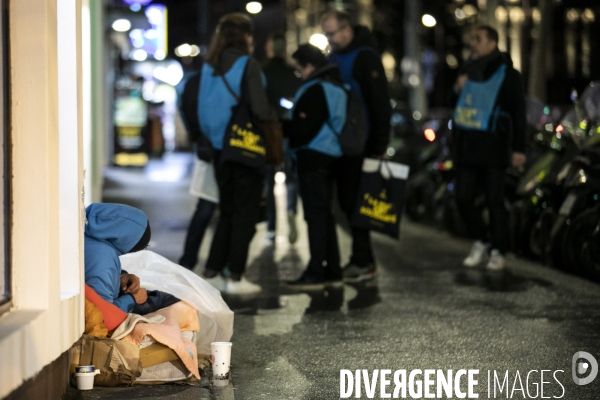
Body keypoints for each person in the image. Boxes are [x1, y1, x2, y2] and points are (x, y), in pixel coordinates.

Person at [198, 13, 277, 294]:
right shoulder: (247, 65)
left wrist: (214, 140)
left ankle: (214, 270)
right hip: (244, 148)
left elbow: (200, 112)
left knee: (227, 209)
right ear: (245, 36)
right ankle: (236, 275)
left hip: (219, 150)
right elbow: (259, 107)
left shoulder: (209, 67)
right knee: (245, 212)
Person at [320, 10, 391, 281]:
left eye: (331, 33)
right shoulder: (338, 56)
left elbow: (379, 103)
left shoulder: (364, 57)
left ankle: (364, 260)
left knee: (356, 204)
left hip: (360, 146)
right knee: (347, 203)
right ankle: (360, 259)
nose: (330, 39)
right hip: (344, 144)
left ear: (346, 29)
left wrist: (378, 144)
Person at [451, 26, 526, 271]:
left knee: (495, 201)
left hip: (494, 148)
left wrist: (518, 149)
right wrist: (457, 90)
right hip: (467, 147)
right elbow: (456, 108)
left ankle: (498, 250)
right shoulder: (466, 71)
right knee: (462, 198)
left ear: (492, 43)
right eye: (472, 38)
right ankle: (482, 240)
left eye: (478, 39)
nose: (473, 43)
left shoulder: (507, 73)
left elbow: (519, 113)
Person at [284, 44, 346, 288]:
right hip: (333, 155)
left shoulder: (315, 89)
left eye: (299, 69)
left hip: (314, 156)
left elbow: (303, 127)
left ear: (309, 66)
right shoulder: (337, 86)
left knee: (315, 215)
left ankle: (315, 270)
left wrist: (286, 128)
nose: (299, 74)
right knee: (325, 214)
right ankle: (333, 269)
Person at [84, 203, 180, 314]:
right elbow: (101, 316)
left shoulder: (85, 232)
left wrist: (120, 276)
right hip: (108, 314)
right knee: (173, 299)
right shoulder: (103, 258)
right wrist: (131, 299)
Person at [262, 32, 302, 244]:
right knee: (291, 178)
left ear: (269, 49)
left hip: (268, 133)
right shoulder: (292, 74)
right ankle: (291, 211)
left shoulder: (262, 72)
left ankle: (271, 227)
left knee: (269, 181)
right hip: (288, 132)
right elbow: (295, 102)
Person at [177, 69, 218, 271]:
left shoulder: (197, 79)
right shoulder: (230, 76)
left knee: (205, 207)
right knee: (225, 211)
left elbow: (185, 107)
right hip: (225, 148)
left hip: (207, 148)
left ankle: (189, 260)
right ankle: (215, 265)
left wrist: (196, 137)